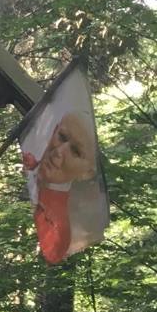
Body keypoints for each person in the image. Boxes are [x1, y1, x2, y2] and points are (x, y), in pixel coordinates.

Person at [23, 109, 98, 264]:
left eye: (75, 151)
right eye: (62, 137)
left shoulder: (60, 226)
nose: (59, 151)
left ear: (87, 173)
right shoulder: (27, 160)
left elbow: (53, 254)